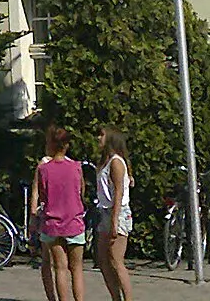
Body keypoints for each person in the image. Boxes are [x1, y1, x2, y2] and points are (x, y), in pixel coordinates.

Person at [32, 122, 90, 301]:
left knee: (60, 267)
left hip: (53, 223)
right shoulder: (76, 167)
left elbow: (42, 195)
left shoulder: (43, 169)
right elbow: (81, 192)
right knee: (77, 268)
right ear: (67, 145)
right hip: (73, 220)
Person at [94, 127, 133, 301]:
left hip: (117, 211)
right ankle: (116, 297)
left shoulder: (116, 162)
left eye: (101, 135)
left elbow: (118, 192)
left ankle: (128, 298)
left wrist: (115, 221)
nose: (98, 138)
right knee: (103, 260)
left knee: (116, 261)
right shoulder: (105, 161)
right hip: (104, 211)